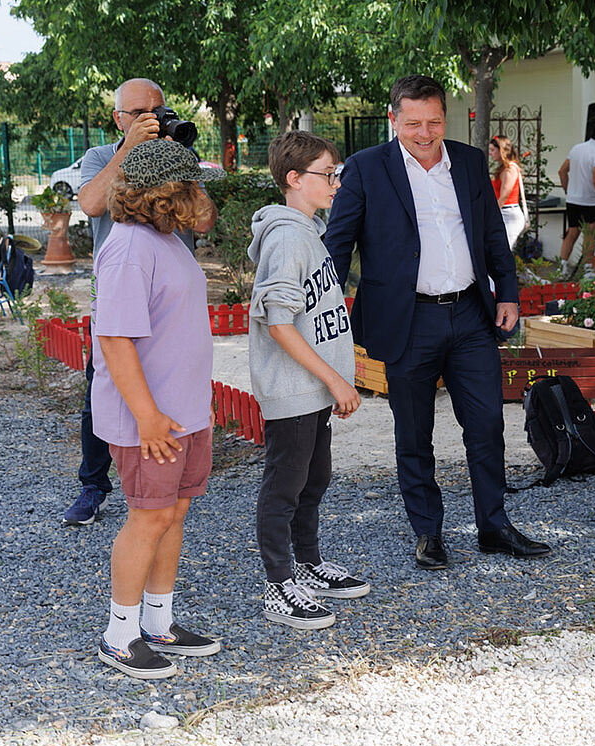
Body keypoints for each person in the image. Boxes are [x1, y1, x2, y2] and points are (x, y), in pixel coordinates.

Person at [324, 74, 550, 569]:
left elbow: (493, 233)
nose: (425, 133)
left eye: (434, 122)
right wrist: (323, 308)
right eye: (413, 124)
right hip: (407, 320)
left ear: (446, 118)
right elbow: (338, 244)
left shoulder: (468, 162)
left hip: (470, 314)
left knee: (488, 424)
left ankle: (494, 526)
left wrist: (507, 292)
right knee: (413, 432)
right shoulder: (365, 169)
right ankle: (429, 533)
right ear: (394, 120)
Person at [92, 139, 225, 678]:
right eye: (193, 186)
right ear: (169, 193)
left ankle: (158, 622)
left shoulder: (166, 240)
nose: (201, 198)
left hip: (184, 413)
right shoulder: (128, 247)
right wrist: (146, 415)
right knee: (148, 518)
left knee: (173, 514)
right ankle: (119, 636)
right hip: (150, 418)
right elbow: (116, 339)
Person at [62, 77, 218, 526]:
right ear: (119, 118)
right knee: (105, 385)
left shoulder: (177, 150)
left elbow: (204, 219)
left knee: (171, 382)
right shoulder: (100, 156)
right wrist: (129, 148)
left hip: (171, 299)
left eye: (158, 109)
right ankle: (93, 484)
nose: (152, 119)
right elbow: (92, 203)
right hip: (123, 291)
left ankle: (168, 468)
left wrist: (176, 157)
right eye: (140, 113)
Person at [249, 131, 369, 630]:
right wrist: (336, 381)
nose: (336, 183)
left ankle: (309, 565)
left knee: (314, 479)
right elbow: (277, 323)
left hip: (313, 389)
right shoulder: (286, 237)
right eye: (328, 173)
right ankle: (279, 585)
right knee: (285, 485)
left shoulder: (308, 231)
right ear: (294, 179)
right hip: (292, 389)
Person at [558, 122, 595, 273]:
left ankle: (562, 266)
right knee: (590, 234)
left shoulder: (576, 149)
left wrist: (568, 190)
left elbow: (562, 171)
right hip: (591, 200)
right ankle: (588, 269)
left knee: (572, 231)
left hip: (573, 199)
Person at [488, 135, 525, 250]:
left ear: (501, 150)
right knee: (498, 250)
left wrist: (492, 215)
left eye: (493, 150)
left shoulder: (510, 169)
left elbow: (504, 196)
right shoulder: (503, 168)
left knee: (502, 250)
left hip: (509, 214)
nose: (490, 153)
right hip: (504, 212)